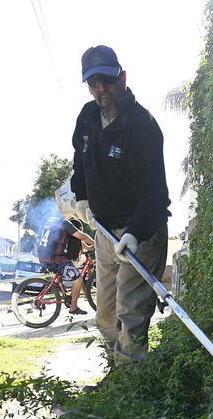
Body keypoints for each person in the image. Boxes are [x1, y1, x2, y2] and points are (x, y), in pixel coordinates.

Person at [67, 44, 171, 363]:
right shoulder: (87, 117)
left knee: (130, 315)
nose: (101, 89)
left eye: (107, 80)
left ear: (122, 78)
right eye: (93, 82)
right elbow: (80, 163)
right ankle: (119, 375)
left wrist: (135, 233)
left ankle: (132, 379)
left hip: (140, 234)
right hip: (103, 230)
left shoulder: (143, 126)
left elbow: (155, 193)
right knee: (106, 315)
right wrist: (81, 197)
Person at [35, 209, 95, 315]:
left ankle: (63, 288)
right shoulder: (64, 224)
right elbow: (82, 236)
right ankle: (73, 308)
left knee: (70, 268)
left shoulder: (50, 221)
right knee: (78, 278)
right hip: (54, 260)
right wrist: (96, 243)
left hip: (43, 257)